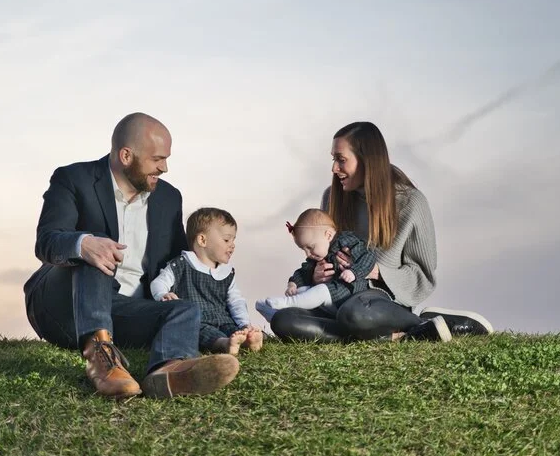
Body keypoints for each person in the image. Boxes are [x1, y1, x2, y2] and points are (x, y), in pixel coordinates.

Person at [23, 112, 240, 400]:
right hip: (64, 305)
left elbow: (179, 265)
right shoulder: (73, 179)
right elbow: (46, 242)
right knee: (97, 252)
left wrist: (226, 333)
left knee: (183, 309)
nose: (165, 168)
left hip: (128, 309)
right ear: (126, 155)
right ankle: (101, 359)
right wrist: (84, 243)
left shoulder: (169, 197)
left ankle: (169, 370)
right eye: (158, 159)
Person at [268, 121, 494, 343]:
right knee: (283, 320)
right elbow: (320, 254)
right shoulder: (331, 197)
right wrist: (317, 275)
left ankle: (415, 321)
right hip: (335, 296)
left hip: (377, 303)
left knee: (354, 314)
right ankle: (407, 333)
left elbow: (422, 275)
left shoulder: (411, 202)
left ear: (367, 161)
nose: (334, 168)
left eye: (341, 160)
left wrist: (376, 271)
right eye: (333, 159)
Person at [150, 207, 263, 355]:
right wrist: (163, 294)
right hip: (197, 321)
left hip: (223, 320)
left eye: (234, 240)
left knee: (234, 330)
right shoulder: (181, 265)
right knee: (201, 333)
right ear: (202, 240)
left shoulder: (226, 272)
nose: (232, 245)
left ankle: (249, 340)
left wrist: (244, 324)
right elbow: (158, 283)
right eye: (227, 239)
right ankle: (225, 344)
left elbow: (236, 301)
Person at [256, 208, 378, 315]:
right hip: (331, 298)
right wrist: (293, 284)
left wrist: (354, 272)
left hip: (348, 292)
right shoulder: (319, 254)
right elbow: (304, 270)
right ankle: (277, 314)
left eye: (310, 247)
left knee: (319, 291)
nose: (308, 254)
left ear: (328, 235)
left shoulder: (345, 241)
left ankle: (288, 304)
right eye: (303, 249)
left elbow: (368, 255)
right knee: (301, 291)